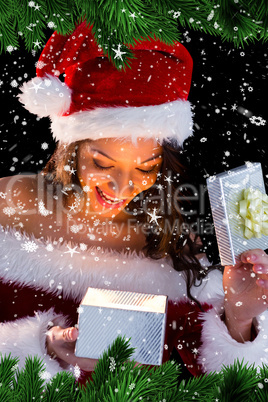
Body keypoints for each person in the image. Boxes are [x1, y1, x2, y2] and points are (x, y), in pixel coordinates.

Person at [0, 22, 267, 383]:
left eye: (146, 167)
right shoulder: (9, 202)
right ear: (72, 148)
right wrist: (38, 351)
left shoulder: (173, 243)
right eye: (102, 163)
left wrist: (239, 317)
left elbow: (215, 378)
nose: (123, 186)